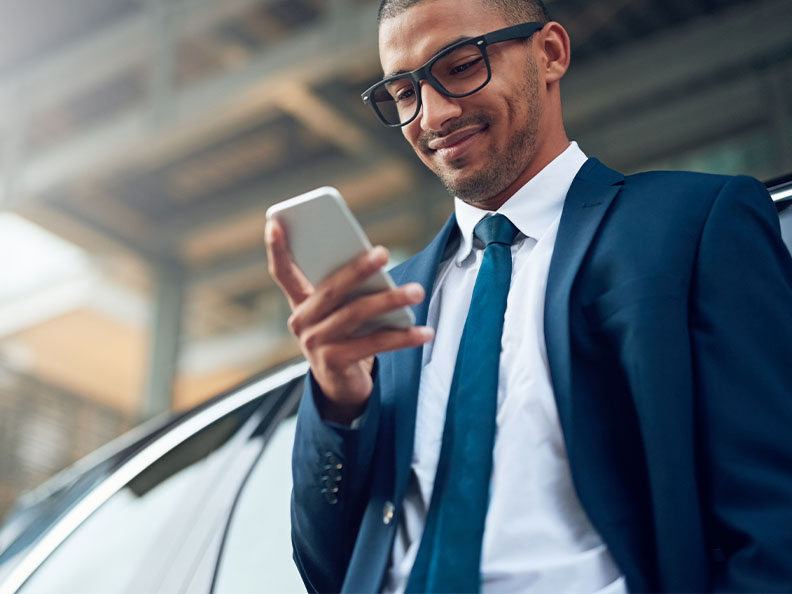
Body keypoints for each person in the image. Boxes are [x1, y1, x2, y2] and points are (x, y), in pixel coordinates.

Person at [265, 0, 792, 591]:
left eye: (461, 66)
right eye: (405, 92)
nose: (433, 114)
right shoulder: (390, 308)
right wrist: (338, 402)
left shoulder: (693, 224)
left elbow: (774, 514)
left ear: (550, 53)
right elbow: (326, 570)